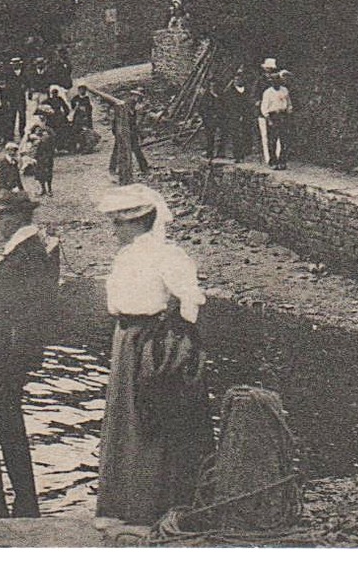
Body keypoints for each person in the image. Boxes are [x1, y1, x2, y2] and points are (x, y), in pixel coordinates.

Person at [95, 184, 213, 526]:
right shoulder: (127, 255)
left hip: (151, 344)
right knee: (125, 421)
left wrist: (175, 345)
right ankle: (121, 504)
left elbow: (191, 299)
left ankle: (150, 506)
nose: (114, 230)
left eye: (118, 223)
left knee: (150, 420)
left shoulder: (167, 254)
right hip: (126, 339)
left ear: (137, 222)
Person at [0, 192, 55, 519]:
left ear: (14, 219)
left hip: (5, 358)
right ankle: (25, 506)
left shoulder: (25, 255)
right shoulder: (31, 252)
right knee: (9, 430)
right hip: (13, 356)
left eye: (1, 216)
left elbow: (10, 307)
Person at [108, 92, 151, 185]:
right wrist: (116, 132)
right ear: (131, 96)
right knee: (117, 151)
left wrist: (137, 133)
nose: (136, 99)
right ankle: (112, 169)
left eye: (138, 97)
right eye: (135, 97)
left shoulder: (133, 109)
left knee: (137, 150)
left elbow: (134, 123)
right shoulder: (123, 107)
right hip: (122, 133)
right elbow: (115, 121)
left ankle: (144, 168)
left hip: (131, 133)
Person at [260, 71, 292, 170]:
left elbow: (289, 103)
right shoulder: (268, 92)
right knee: (272, 140)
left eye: (277, 80)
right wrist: (268, 119)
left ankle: (282, 161)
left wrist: (289, 111)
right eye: (273, 81)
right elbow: (264, 107)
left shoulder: (284, 90)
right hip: (273, 116)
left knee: (284, 140)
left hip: (283, 115)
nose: (276, 82)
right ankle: (273, 161)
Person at [22, 120, 56, 196]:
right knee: (39, 173)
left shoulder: (48, 131)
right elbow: (28, 140)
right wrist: (29, 135)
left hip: (47, 155)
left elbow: (53, 140)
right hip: (39, 156)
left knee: (48, 172)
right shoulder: (35, 131)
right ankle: (43, 188)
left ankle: (49, 189)